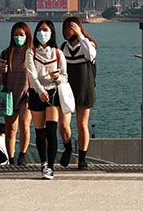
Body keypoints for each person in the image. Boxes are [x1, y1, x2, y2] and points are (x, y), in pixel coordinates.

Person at [26, 19, 67, 180]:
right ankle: (43, 162)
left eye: (46, 30)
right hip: (36, 93)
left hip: (53, 93)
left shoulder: (58, 53)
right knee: (40, 132)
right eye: (40, 30)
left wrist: (57, 77)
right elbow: (31, 75)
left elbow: (65, 76)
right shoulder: (31, 52)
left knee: (51, 131)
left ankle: (50, 167)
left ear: (51, 33)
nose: (43, 33)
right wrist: (40, 91)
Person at [58, 16, 97, 169]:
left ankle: (82, 158)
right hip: (67, 90)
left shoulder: (88, 45)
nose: (68, 31)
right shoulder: (63, 48)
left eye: (71, 27)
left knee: (82, 124)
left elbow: (91, 54)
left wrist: (81, 35)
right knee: (63, 124)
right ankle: (67, 148)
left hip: (85, 89)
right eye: (66, 28)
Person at [0, 22, 33, 166]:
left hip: (26, 95)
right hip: (9, 95)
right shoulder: (6, 53)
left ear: (27, 35)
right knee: (10, 129)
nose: (18, 37)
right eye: (16, 35)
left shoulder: (31, 53)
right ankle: (11, 158)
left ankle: (22, 155)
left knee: (24, 124)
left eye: (21, 35)